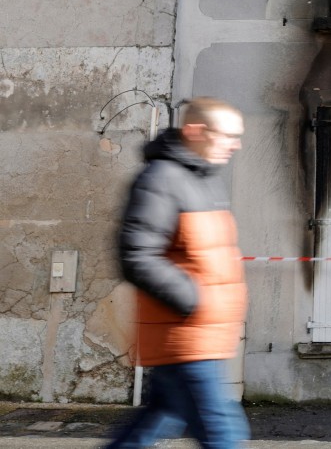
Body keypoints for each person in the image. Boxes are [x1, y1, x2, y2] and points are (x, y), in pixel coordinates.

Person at [107, 97, 249, 449]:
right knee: (224, 434)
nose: (237, 144)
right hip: (186, 337)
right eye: (227, 135)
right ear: (196, 131)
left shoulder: (200, 180)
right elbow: (137, 255)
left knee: (148, 426)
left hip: (201, 335)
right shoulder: (161, 179)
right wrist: (194, 301)